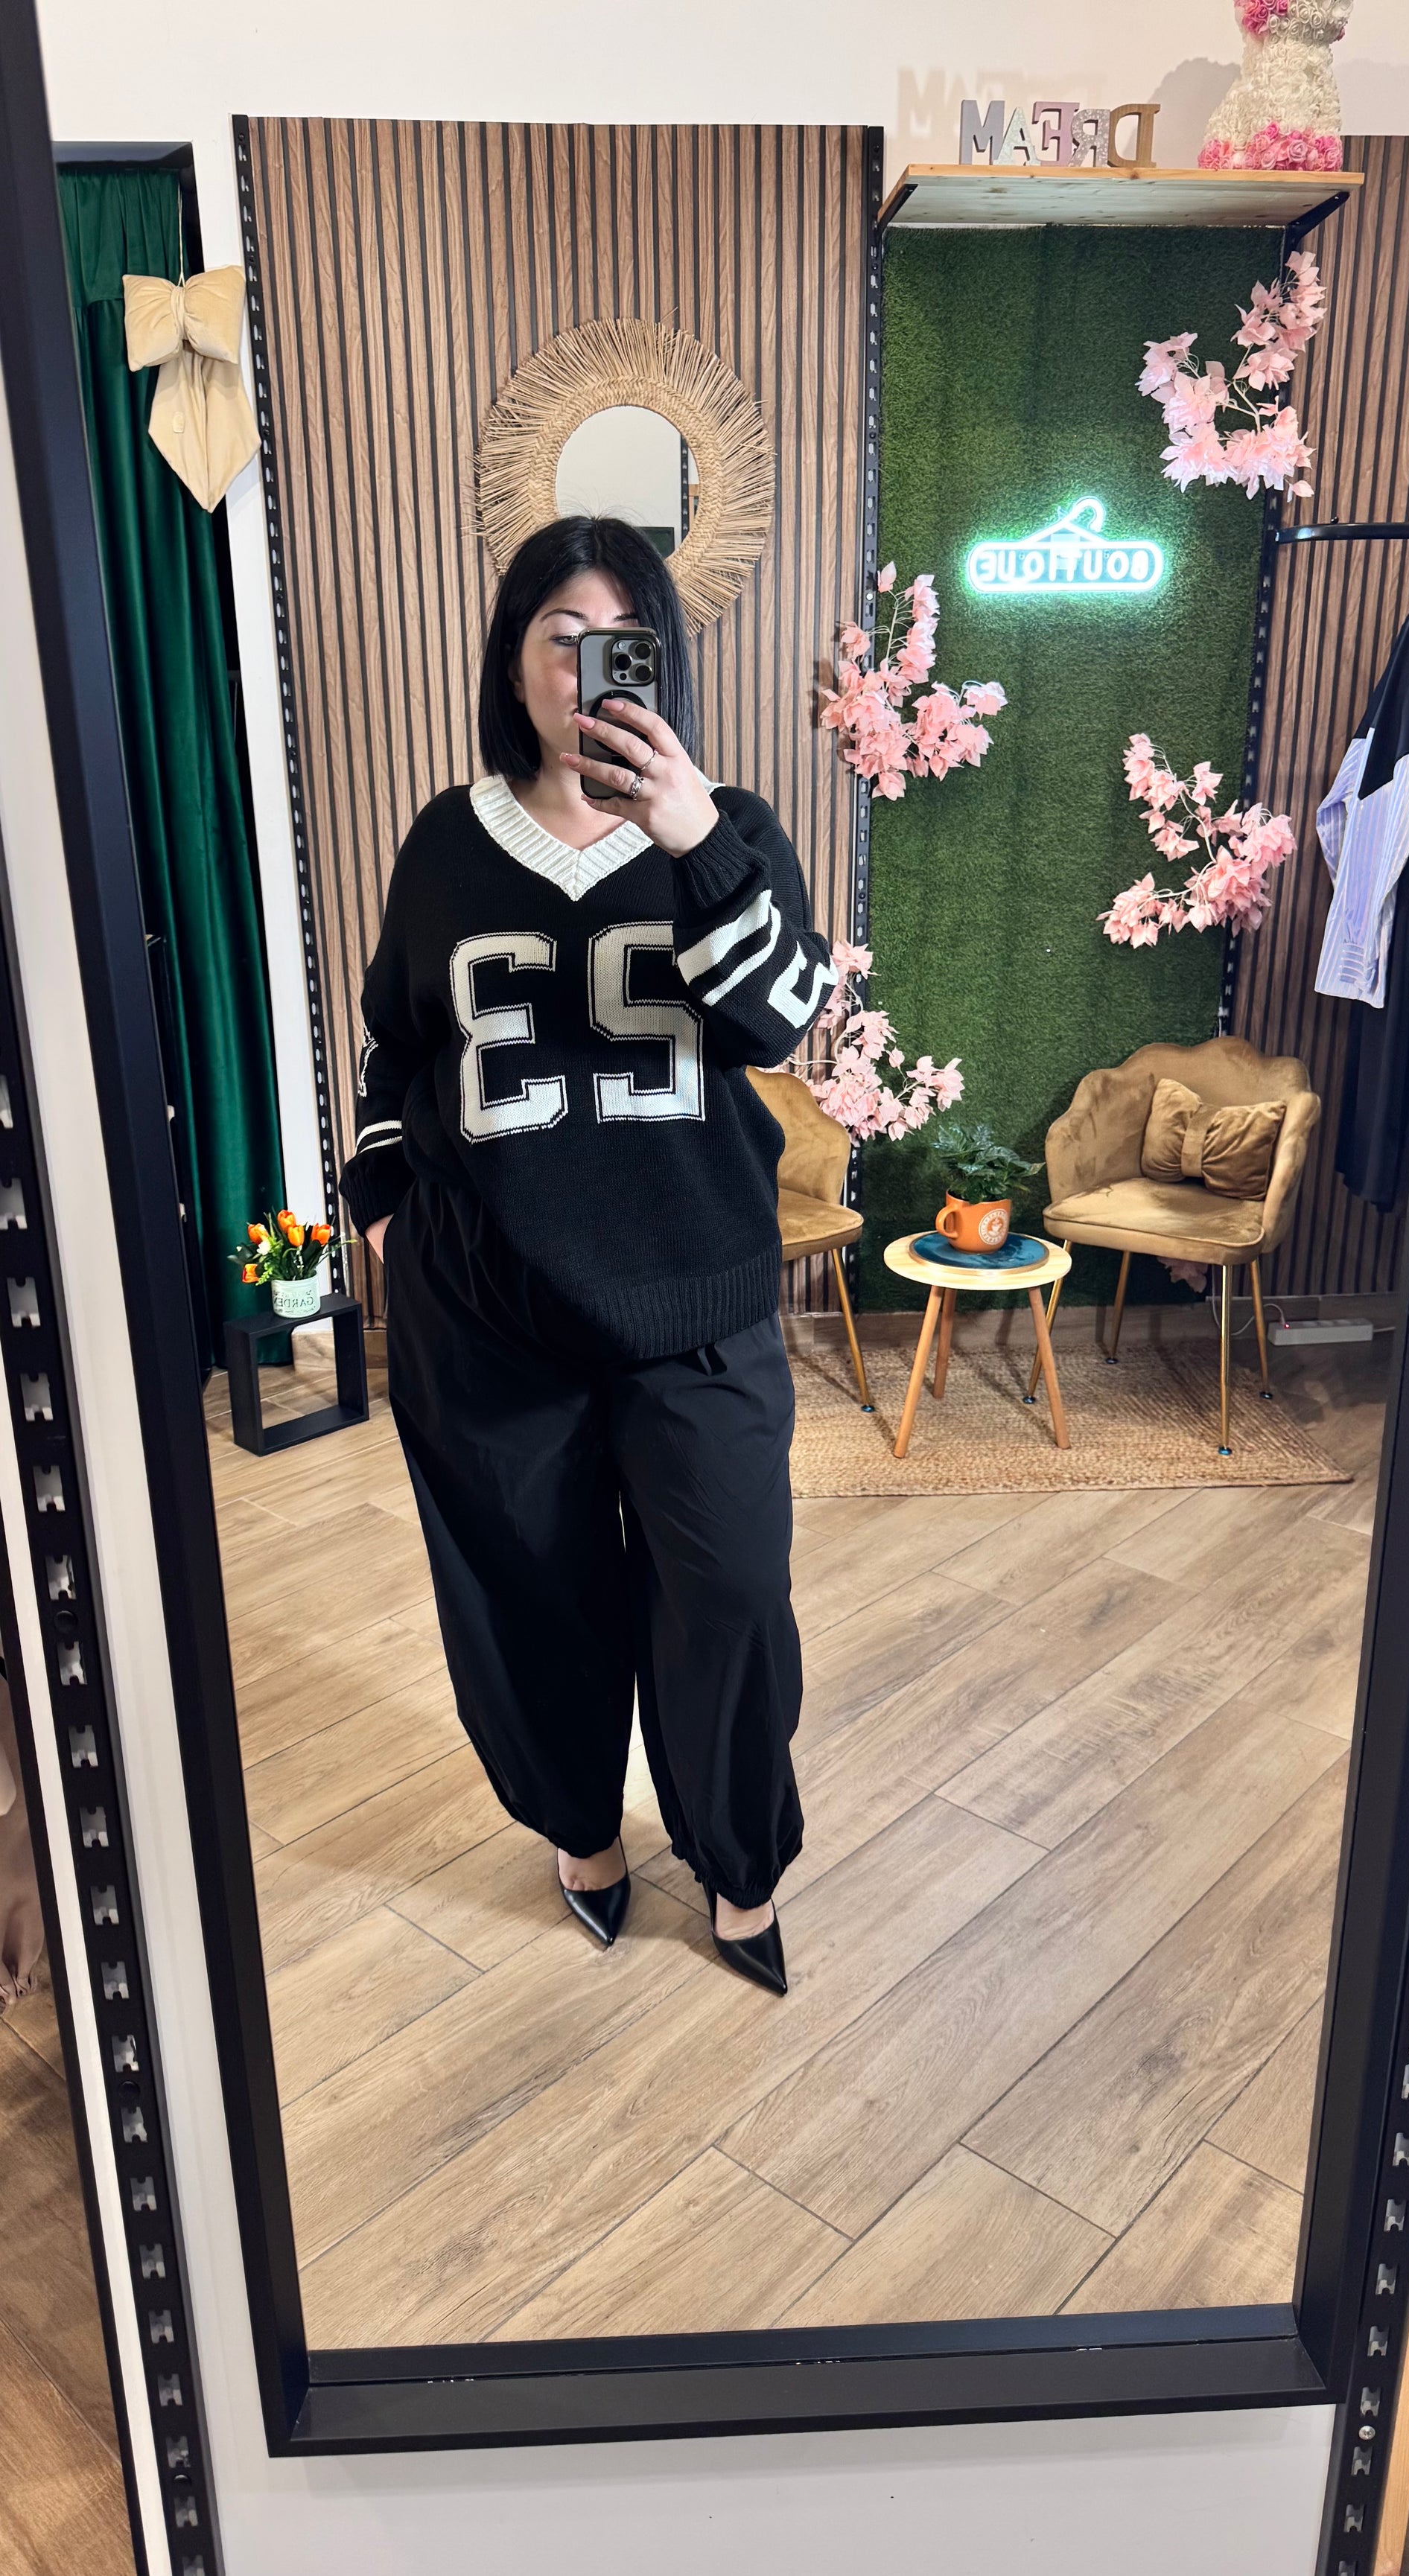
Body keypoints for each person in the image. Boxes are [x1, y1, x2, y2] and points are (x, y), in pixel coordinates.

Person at [339, 516, 836, 1997]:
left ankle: (736, 1852)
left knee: (729, 1594)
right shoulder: (446, 842)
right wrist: (381, 1196)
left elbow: (778, 1021)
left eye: (615, 641)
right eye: (555, 636)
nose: (582, 668)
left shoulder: (731, 830)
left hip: (696, 1306)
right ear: (512, 659)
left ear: (658, 662)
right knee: (530, 1600)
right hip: (486, 1314)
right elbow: (394, 1039)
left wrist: (692, 841)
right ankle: (581, 1829)